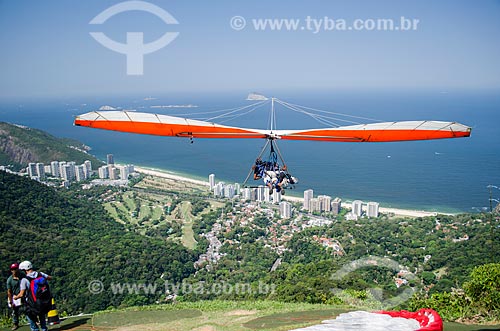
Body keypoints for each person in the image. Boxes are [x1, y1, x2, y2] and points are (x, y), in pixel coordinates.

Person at [13, 261, 52, 331]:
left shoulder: (24, 280)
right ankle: (44, 329)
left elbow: (21, 294)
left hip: (32, 304)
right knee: (42, 315)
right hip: (43, 301)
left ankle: (35, 329)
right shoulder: (41, 274)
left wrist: (16, 297)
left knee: (30, 316)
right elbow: (49, 278)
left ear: (24, 270)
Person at [6, 263, 23, 330]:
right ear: (11, 270)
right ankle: (15, 324)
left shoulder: (22, 275)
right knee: (15, 311)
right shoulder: (10, 280)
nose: (14, 271)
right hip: (15, 296)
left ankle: (34, 321)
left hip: (23, 294)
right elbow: (9, 291)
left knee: (28, 309)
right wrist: (11, 301)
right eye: (13, 269)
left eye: (15, 269)